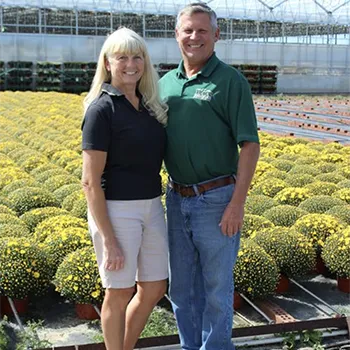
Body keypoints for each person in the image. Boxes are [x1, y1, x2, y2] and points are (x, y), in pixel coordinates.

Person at [159, 3, 260, 350]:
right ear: (176, 35)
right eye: (187, 30)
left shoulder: (231, 82)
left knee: (217, 289)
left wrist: (237, 203)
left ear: (216, 35)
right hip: (176, 198)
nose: (194, 37)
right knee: (182, 289)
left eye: (203, 30)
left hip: (216, 201)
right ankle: (191, 346)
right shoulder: (164, 84)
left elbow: (249, 145)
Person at [81, 27, 168, 350]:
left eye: (137, 57)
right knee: (118, 292)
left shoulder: (149, 106)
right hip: (117, 210)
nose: (130, 64)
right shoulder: (101, 110)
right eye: (122, 58)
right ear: (107, 63)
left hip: (151, 206)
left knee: (154, 287)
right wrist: (109, 239)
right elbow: (90, 182)